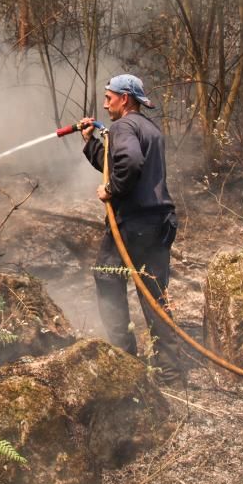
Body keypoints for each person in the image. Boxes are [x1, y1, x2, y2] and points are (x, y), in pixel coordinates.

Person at [79, 73, 183, 384]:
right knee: (154, 296)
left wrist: (111, 190)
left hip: (134, 226)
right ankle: (171, 371)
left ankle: (124, 361)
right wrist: (91, 144)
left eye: (109, 96)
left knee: (107, 279)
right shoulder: (148, 128)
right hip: (159, 224)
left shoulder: (124, 126)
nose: (105, 101)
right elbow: (119, 162)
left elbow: (130, 164)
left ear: (125, 98)